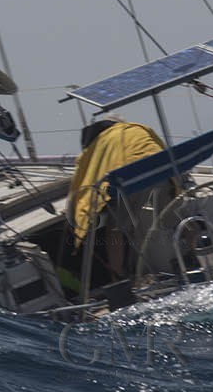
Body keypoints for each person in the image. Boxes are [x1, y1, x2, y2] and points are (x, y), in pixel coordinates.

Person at [62, 116, 175, 297]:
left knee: (115, 229)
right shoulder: (138, 127)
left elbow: (80, 184)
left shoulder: (96, 146)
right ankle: (198, 250)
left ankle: (119, 281)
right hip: (159, 172)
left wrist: (78, 215)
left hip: (127, 180)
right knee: (175, 215)